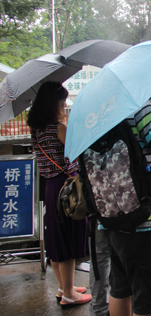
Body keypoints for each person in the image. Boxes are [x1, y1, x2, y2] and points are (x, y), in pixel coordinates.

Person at [91, 78, 151, 316]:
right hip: (143, 219)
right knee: (147, 301)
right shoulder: (137, 103)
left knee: (120, 288)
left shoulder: (98, 109)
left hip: (110, 216)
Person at [27, 81, 92, 307]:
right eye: (62, 101)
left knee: (56, 239)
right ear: (54, 103)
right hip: (67, 188)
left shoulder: (36, 130)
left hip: (50, 187)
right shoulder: (58, 128)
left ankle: (64, 287)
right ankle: (69, 295)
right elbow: (78, 152)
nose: (64, 106)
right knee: (68, 238)